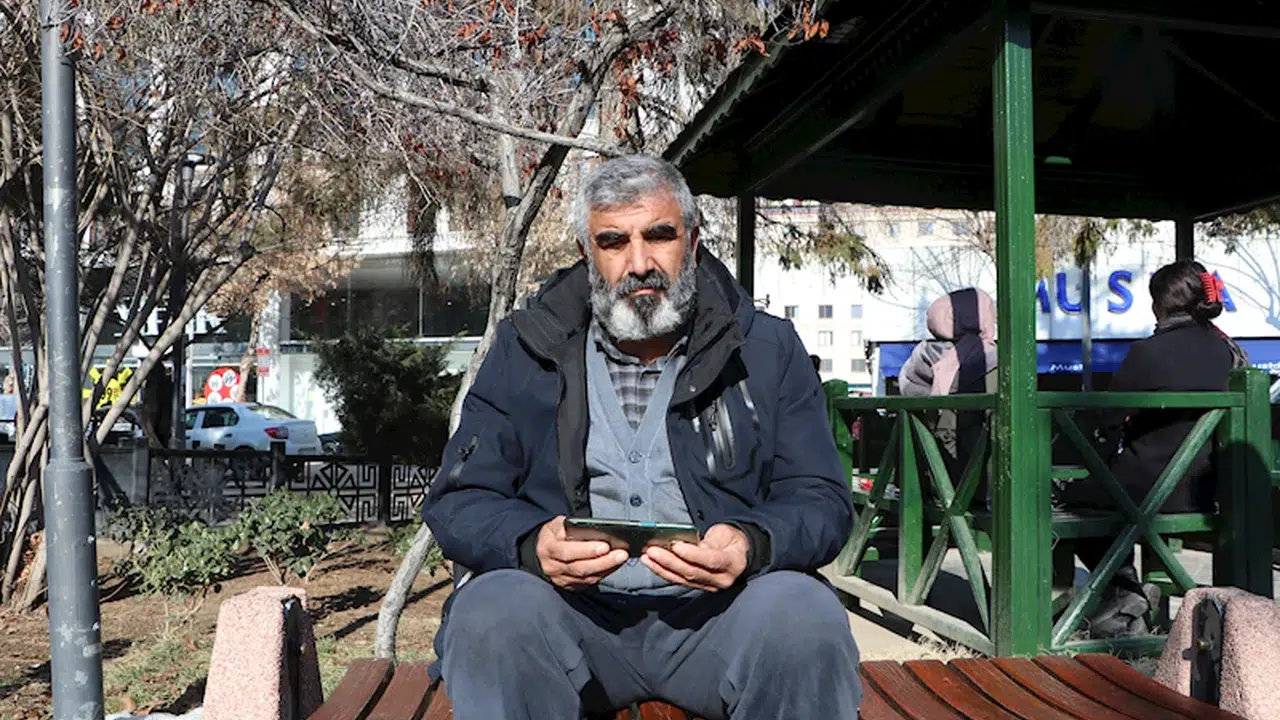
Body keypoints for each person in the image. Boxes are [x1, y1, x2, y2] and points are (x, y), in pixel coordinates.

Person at [421, 155, 861, 719]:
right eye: (613, 242)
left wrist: (752, 544)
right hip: (568, 618)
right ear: (587, 254)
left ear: (693, 243)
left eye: (659, 235)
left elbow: (820, 498)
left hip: (723, 614)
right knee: (490, 614)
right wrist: (531, 544)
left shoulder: (766, 350)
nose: (639, 263)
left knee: (806, 617)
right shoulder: (525, 349)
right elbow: (460, 499)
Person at [1057, 260, 1249, 638]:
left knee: (1067, 503)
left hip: (1147, 490)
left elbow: (1105, 420)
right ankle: (1127, 601)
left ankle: (1125, 593)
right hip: (1211, 490)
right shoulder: (1228, 350)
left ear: (1159, 304)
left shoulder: (1147, 353)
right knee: (1098, 498)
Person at [897, 287, 998, 506]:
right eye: (990, 312)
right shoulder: (991, 362)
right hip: (976, 487)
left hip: (924, 482)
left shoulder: (919, 358)